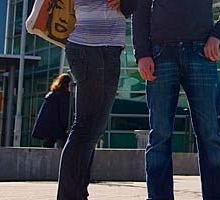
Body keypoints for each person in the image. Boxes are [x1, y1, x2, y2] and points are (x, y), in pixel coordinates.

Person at [133, 0, 220, 199]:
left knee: (209, 134)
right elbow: (140, 10)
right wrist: (142, 54)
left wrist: (218, 36)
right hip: (160, 54)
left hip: (201, 52)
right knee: (160, 135)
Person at [56, 0, 134, 199]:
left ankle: (79, 193)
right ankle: (68, 196)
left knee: (96, 129)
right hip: (85, 46)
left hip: (112, 48)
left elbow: (131, 8)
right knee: (84, 126)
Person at [32, 74, 72, 149]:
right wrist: (67, 125)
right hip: (58, 126)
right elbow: (64, 114)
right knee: (65, 143)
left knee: (48, 143)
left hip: (49, 126)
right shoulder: (64, 97)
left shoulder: (52, 95)